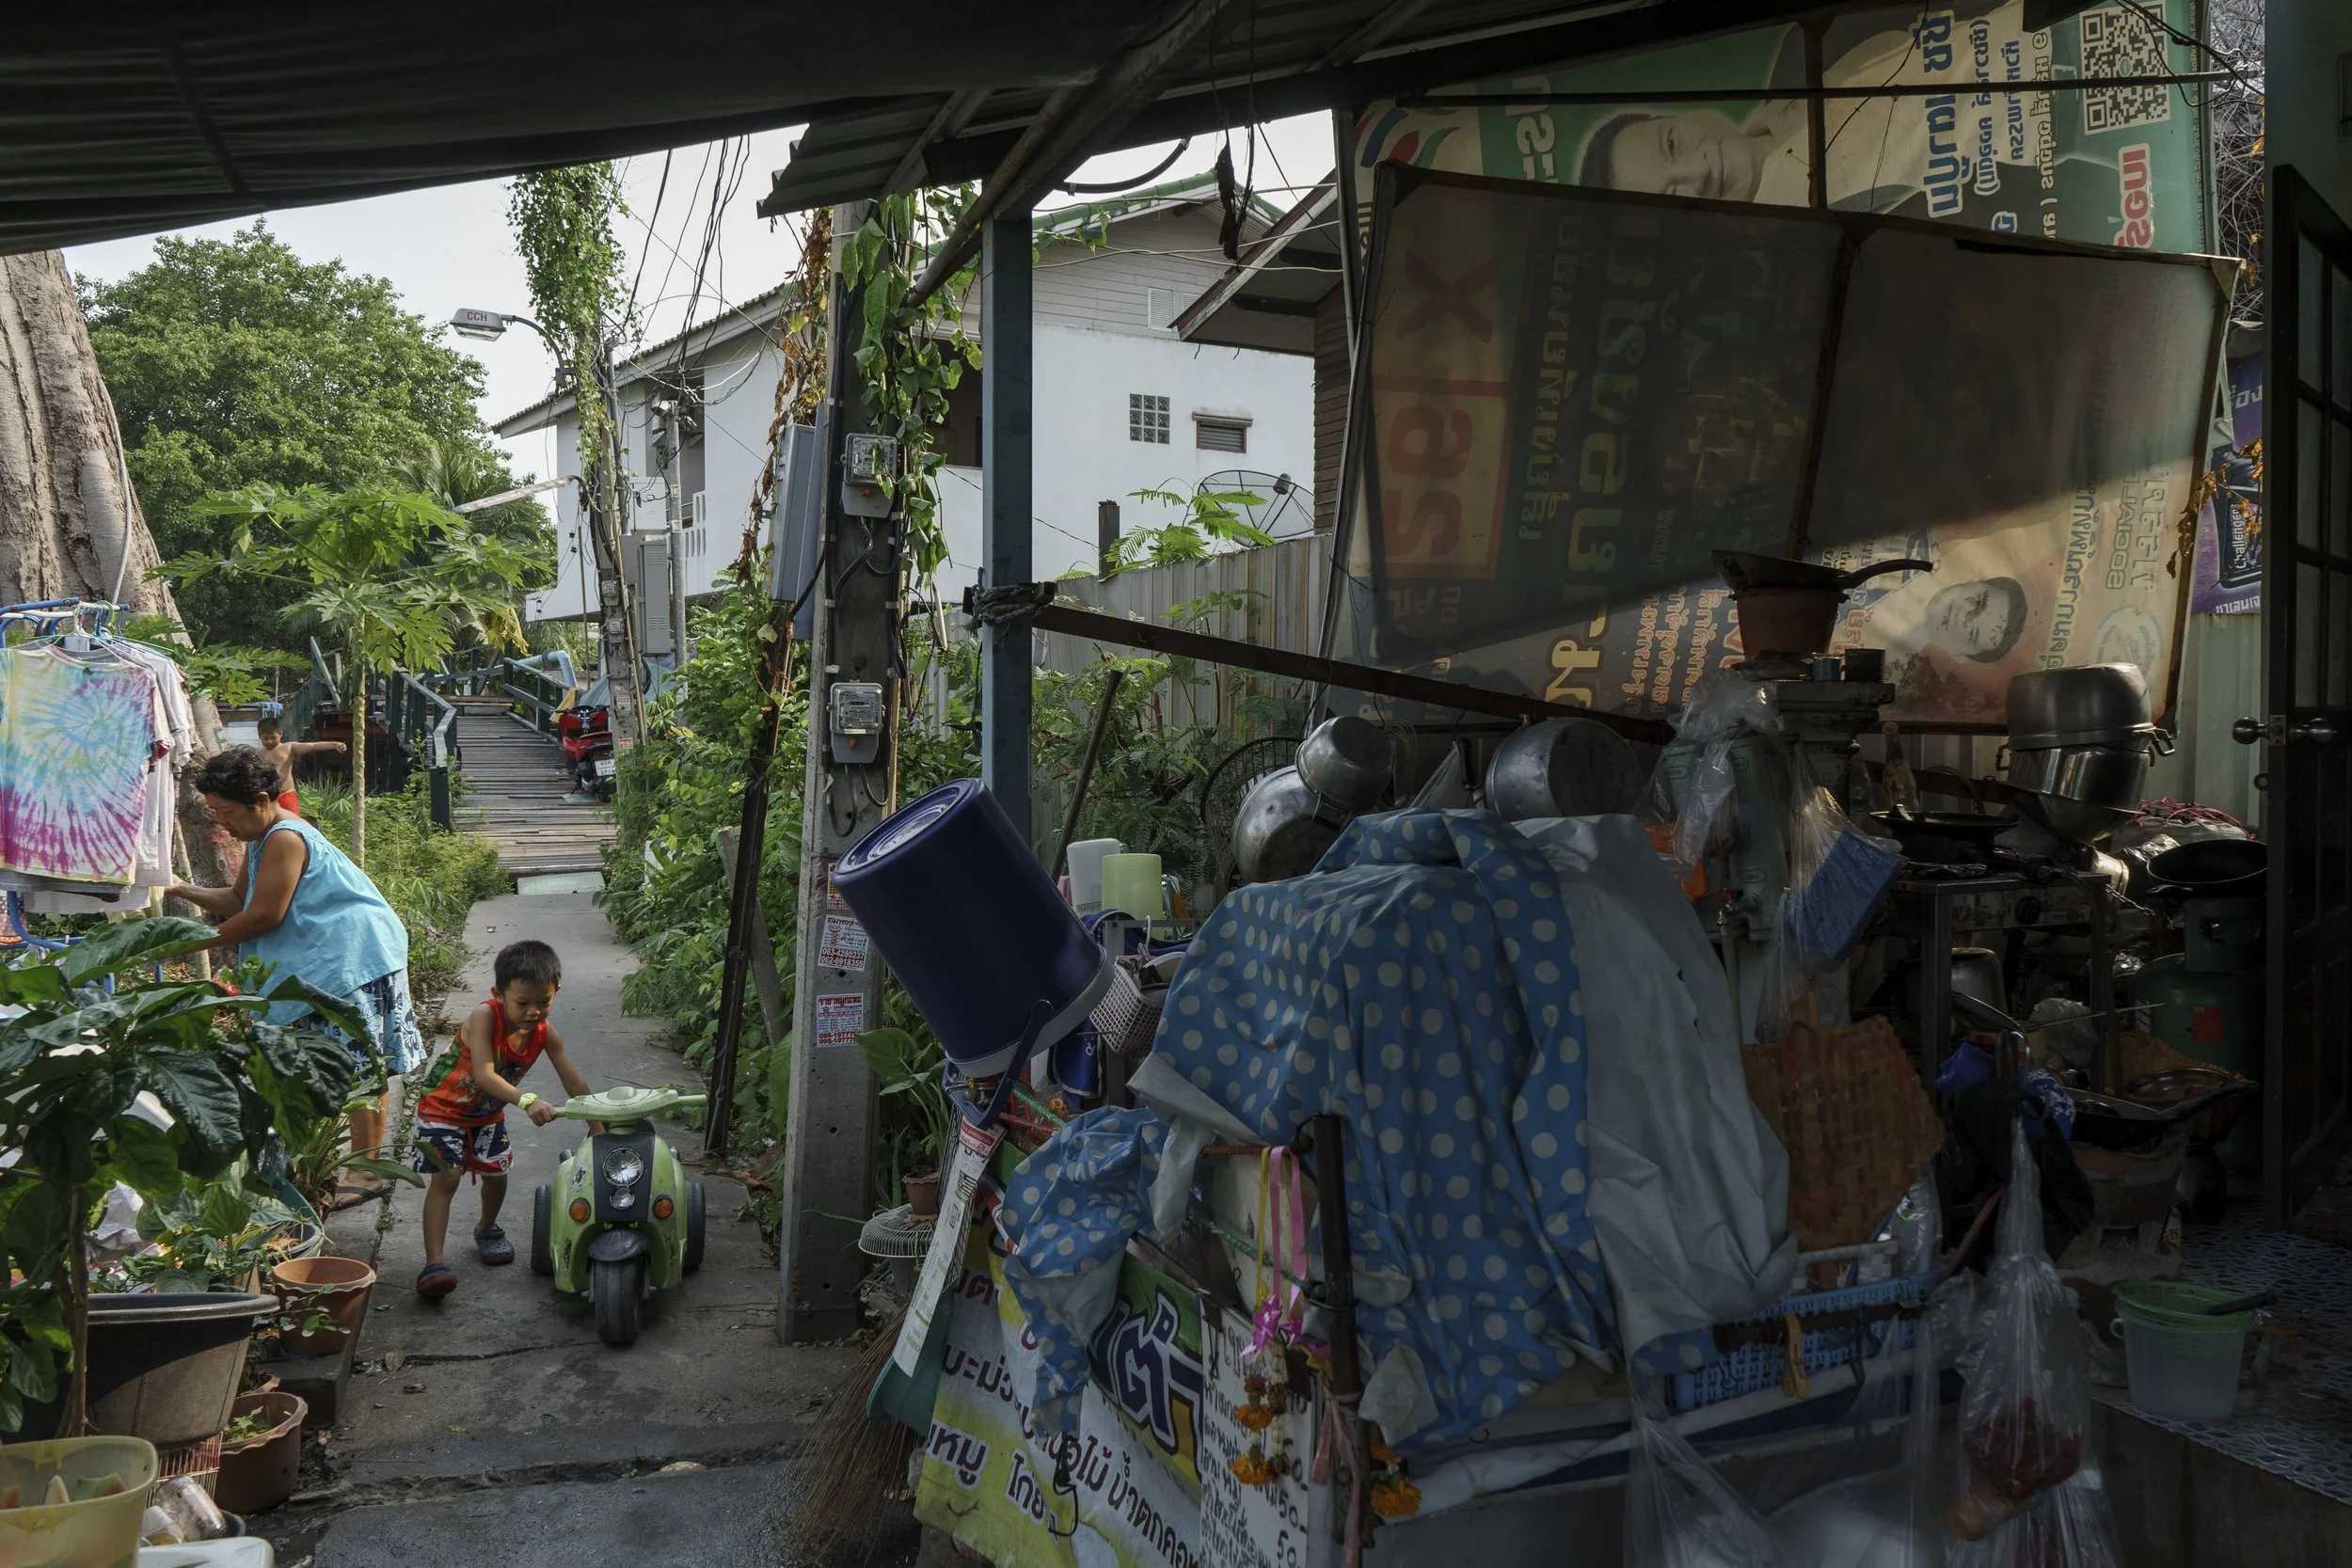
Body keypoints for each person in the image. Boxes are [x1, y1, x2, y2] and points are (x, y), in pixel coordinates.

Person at [168, 747, 423, 1209]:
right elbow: (237, 900)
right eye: (214, 812)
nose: (220, 822)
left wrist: (182, 945)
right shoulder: (261, 838)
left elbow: (263, 915)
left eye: (225, 812)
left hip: (354, 958)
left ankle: (366, 1170)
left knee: (360, 1067)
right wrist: (178, 886)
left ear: (262, 800)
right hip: (331, 958)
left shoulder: (286, 836)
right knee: (337, 1065)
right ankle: (338, 1164)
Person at [408, 941, 594, 1299]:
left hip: (487, 1114)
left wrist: (598, 1128)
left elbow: (573, 1081)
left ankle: (488, 1228)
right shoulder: (484, 1017)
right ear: (499, 993)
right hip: (442, 1111)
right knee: (447, 1179)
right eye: (522, 1003)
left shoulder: (545, 1034)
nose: (533, 1012)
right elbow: (484, 1075)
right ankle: (434, 1263)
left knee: (497, 1174)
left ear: (556, 992)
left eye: (544, 1002)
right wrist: (527, 1099)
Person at [254, 714, 346, 816]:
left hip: (286, 795)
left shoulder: (288, 748)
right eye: (266, 739)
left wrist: (335, 744)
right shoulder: (256, 753)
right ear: (260, 737)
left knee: (292, 826)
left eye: (273, 737)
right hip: (267, 798)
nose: (270, 741)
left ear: (280, 734)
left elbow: (313, 746)